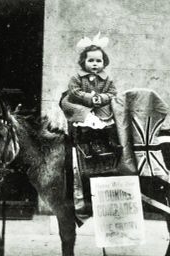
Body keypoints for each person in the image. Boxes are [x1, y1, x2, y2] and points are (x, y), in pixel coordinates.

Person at [60, 33, 119, 218]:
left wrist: (101, 98)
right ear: (83, 62)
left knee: (107, 121)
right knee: (82, 119)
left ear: (104, 62)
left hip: (100, 107)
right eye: (91, 60)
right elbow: (74, 91)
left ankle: (107, 142)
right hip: (82, 105)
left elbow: (112, 92)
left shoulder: (106, 78)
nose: (95, 64)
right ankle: (82, 142)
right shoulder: (77, 77)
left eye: (98, 61)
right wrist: (87, 98)